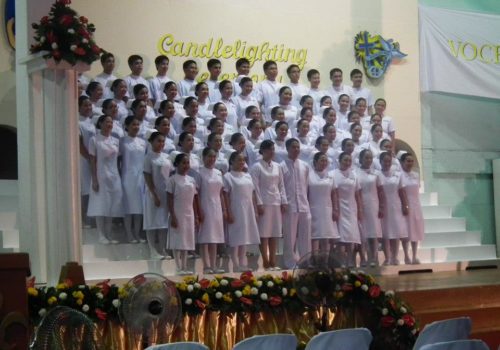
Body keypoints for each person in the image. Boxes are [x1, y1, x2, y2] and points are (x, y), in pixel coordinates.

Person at [250, 140, 288, 271]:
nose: (272, 152)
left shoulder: (278, 166)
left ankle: (273, 261)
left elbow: (281, 185)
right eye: (269, 149)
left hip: (276, 202)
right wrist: (259, 203)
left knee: (275, 233)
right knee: (264, 233)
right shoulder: (256, 166)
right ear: (263, 151)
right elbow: (255, 187)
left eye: (273, 149)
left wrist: (284, 201)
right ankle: (265, 262)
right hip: (264, 203)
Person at [87, 115, 123, 244]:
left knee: (112, 206)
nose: (110, 124)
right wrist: (94, 179)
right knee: (100, 205)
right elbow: (92, 160)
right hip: (101, 175)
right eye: (107, 122)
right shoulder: (94, 140)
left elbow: (118, 161)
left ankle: (109, 234)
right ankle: (101, 234)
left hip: (114, 176)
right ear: (100, 123)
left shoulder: (115, 140)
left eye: (111, 122)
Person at [223, 151, 261, 272]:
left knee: (244, 237)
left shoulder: (247, 175)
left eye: (243, 160)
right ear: (232, 161)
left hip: (248, 209)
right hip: (236, 208)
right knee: (236, 237)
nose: (241, 162)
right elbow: (225, 196)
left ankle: (242, 263)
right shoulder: (228, 176)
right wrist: (228, 211)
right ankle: (235, 264)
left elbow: (253, 194)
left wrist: (255, 209)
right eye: (239, 160)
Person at [280, 138, 311, 269]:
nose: (296, 149)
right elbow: (280, 186)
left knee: (305, 236)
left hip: (304, 204)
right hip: (290, 205)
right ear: (287, 149)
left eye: (298, 147)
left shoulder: (304, 166)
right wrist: (283, 201)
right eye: (293, 147)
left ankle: (306, 261)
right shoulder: (281, 166)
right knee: (290, 237)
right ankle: (290, 263)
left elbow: (307, 185)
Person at [167, 153, 200, 274]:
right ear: (177, 164)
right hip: (177, 212)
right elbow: (169, 199)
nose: (186, 165)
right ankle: (178, 266)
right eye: (183, 163)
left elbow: (194, 199)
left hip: (189, 213)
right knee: (177, 240)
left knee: (186, 240)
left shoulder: (192, 180)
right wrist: (173, 216)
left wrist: (196, 216)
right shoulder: (172, 180)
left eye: (187, 163)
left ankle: (185, 266)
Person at [196, 148, 226, 274]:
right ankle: (206, 265)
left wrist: (224, 209)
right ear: (203, 157)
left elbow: (221, 193)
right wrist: (199, 210)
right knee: (205, 236)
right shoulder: (199, 173)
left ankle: (214, 265)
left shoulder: (218, 173)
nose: (212, 159)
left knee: (215, 237)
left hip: (217, 206)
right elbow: (196, 193)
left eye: (214, 156)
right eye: (209, 156)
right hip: (205, 204)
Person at [143, 132, 172, 259]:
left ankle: (162, 249)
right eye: (158, 141)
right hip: (153, 193)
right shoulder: (148, 157)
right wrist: (154, 194)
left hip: (165, 193)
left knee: (163, 223)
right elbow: (147, 176)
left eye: (163, 141)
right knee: (152, 222)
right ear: (152, 142)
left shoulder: (167, 157)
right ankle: (152, 250)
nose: (161, 144)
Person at [119, 116, 147, 243]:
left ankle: (137, 233)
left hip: (140, 179)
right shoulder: (122, 141)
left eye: (137, 125)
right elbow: (118, 160)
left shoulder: (143, 142)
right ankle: (129, 234)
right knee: (128, 207)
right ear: (127, 126)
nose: (136, 127)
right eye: (133, 125)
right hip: (127, 177)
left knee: (139, 209)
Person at [333, 152, 362, 267]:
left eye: (349, 160)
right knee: (341, 236)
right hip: (339, 207)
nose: (347, 162)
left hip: (351, 207)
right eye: (345, 160)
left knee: (351, 235)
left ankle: (350, 260)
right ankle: (341, 261)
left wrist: (360, 209)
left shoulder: (354, 175)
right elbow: (333, 193)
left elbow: (358, 194)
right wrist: (335, 209)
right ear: (339, 161)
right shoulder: (333, 174)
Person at [378, 151, 408, 265]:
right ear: (380, 162)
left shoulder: (398, 174)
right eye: (385, 161)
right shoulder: (377, 174)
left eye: (389, 161)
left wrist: (405, 205)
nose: (387, 163)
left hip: (395, 205)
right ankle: (387, 258)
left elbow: (402, 192)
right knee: (385, 233)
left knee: (395, 233)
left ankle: (395, 257)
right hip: (382, 206)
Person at [356, 149, 384, 267]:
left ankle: (374, 258)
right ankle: (363, 258)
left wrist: (382, 206)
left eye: (370, 158)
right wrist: (358, 207)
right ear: (361, 159)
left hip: (373, 205)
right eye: (366, 158)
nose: (369, 160)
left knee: (373, 234)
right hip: (360, 205)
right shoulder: (355, 172)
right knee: (362, 234)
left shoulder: (376, 173)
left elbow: (381, 191)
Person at [308, 151, 340, 254]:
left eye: (325, 160)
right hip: (313, 209)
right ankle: (314, 260)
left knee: (326, 236)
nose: (324, 162)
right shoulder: (309, 176)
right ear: (315, 162)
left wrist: (335, 209)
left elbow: (334, 194)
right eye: (322, 160)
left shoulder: (330, 177)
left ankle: (325, 261)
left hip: (327, 209)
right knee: (315, 236)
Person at [399, 153, 424, 265]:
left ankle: (414, 256)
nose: (410, 163)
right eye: (407, 161)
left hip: (416, 204)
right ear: (403, 162)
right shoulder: (399, 175)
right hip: (405, 204)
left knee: (416, 230)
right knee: (406, 231)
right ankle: (406, 256)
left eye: (411, 161)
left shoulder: (416, 174)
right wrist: (405, 205)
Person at [78, 96, 96, 228]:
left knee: (92, 190)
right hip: (84, 160)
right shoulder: (77, 122)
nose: (89, 107)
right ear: (78, 107)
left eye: (90, 105)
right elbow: (79, 144)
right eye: (85, 105)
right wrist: (89, 158)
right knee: (85, 190)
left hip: (93, 160)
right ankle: (82, 219)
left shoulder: (92, 121)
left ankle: (91, 219)